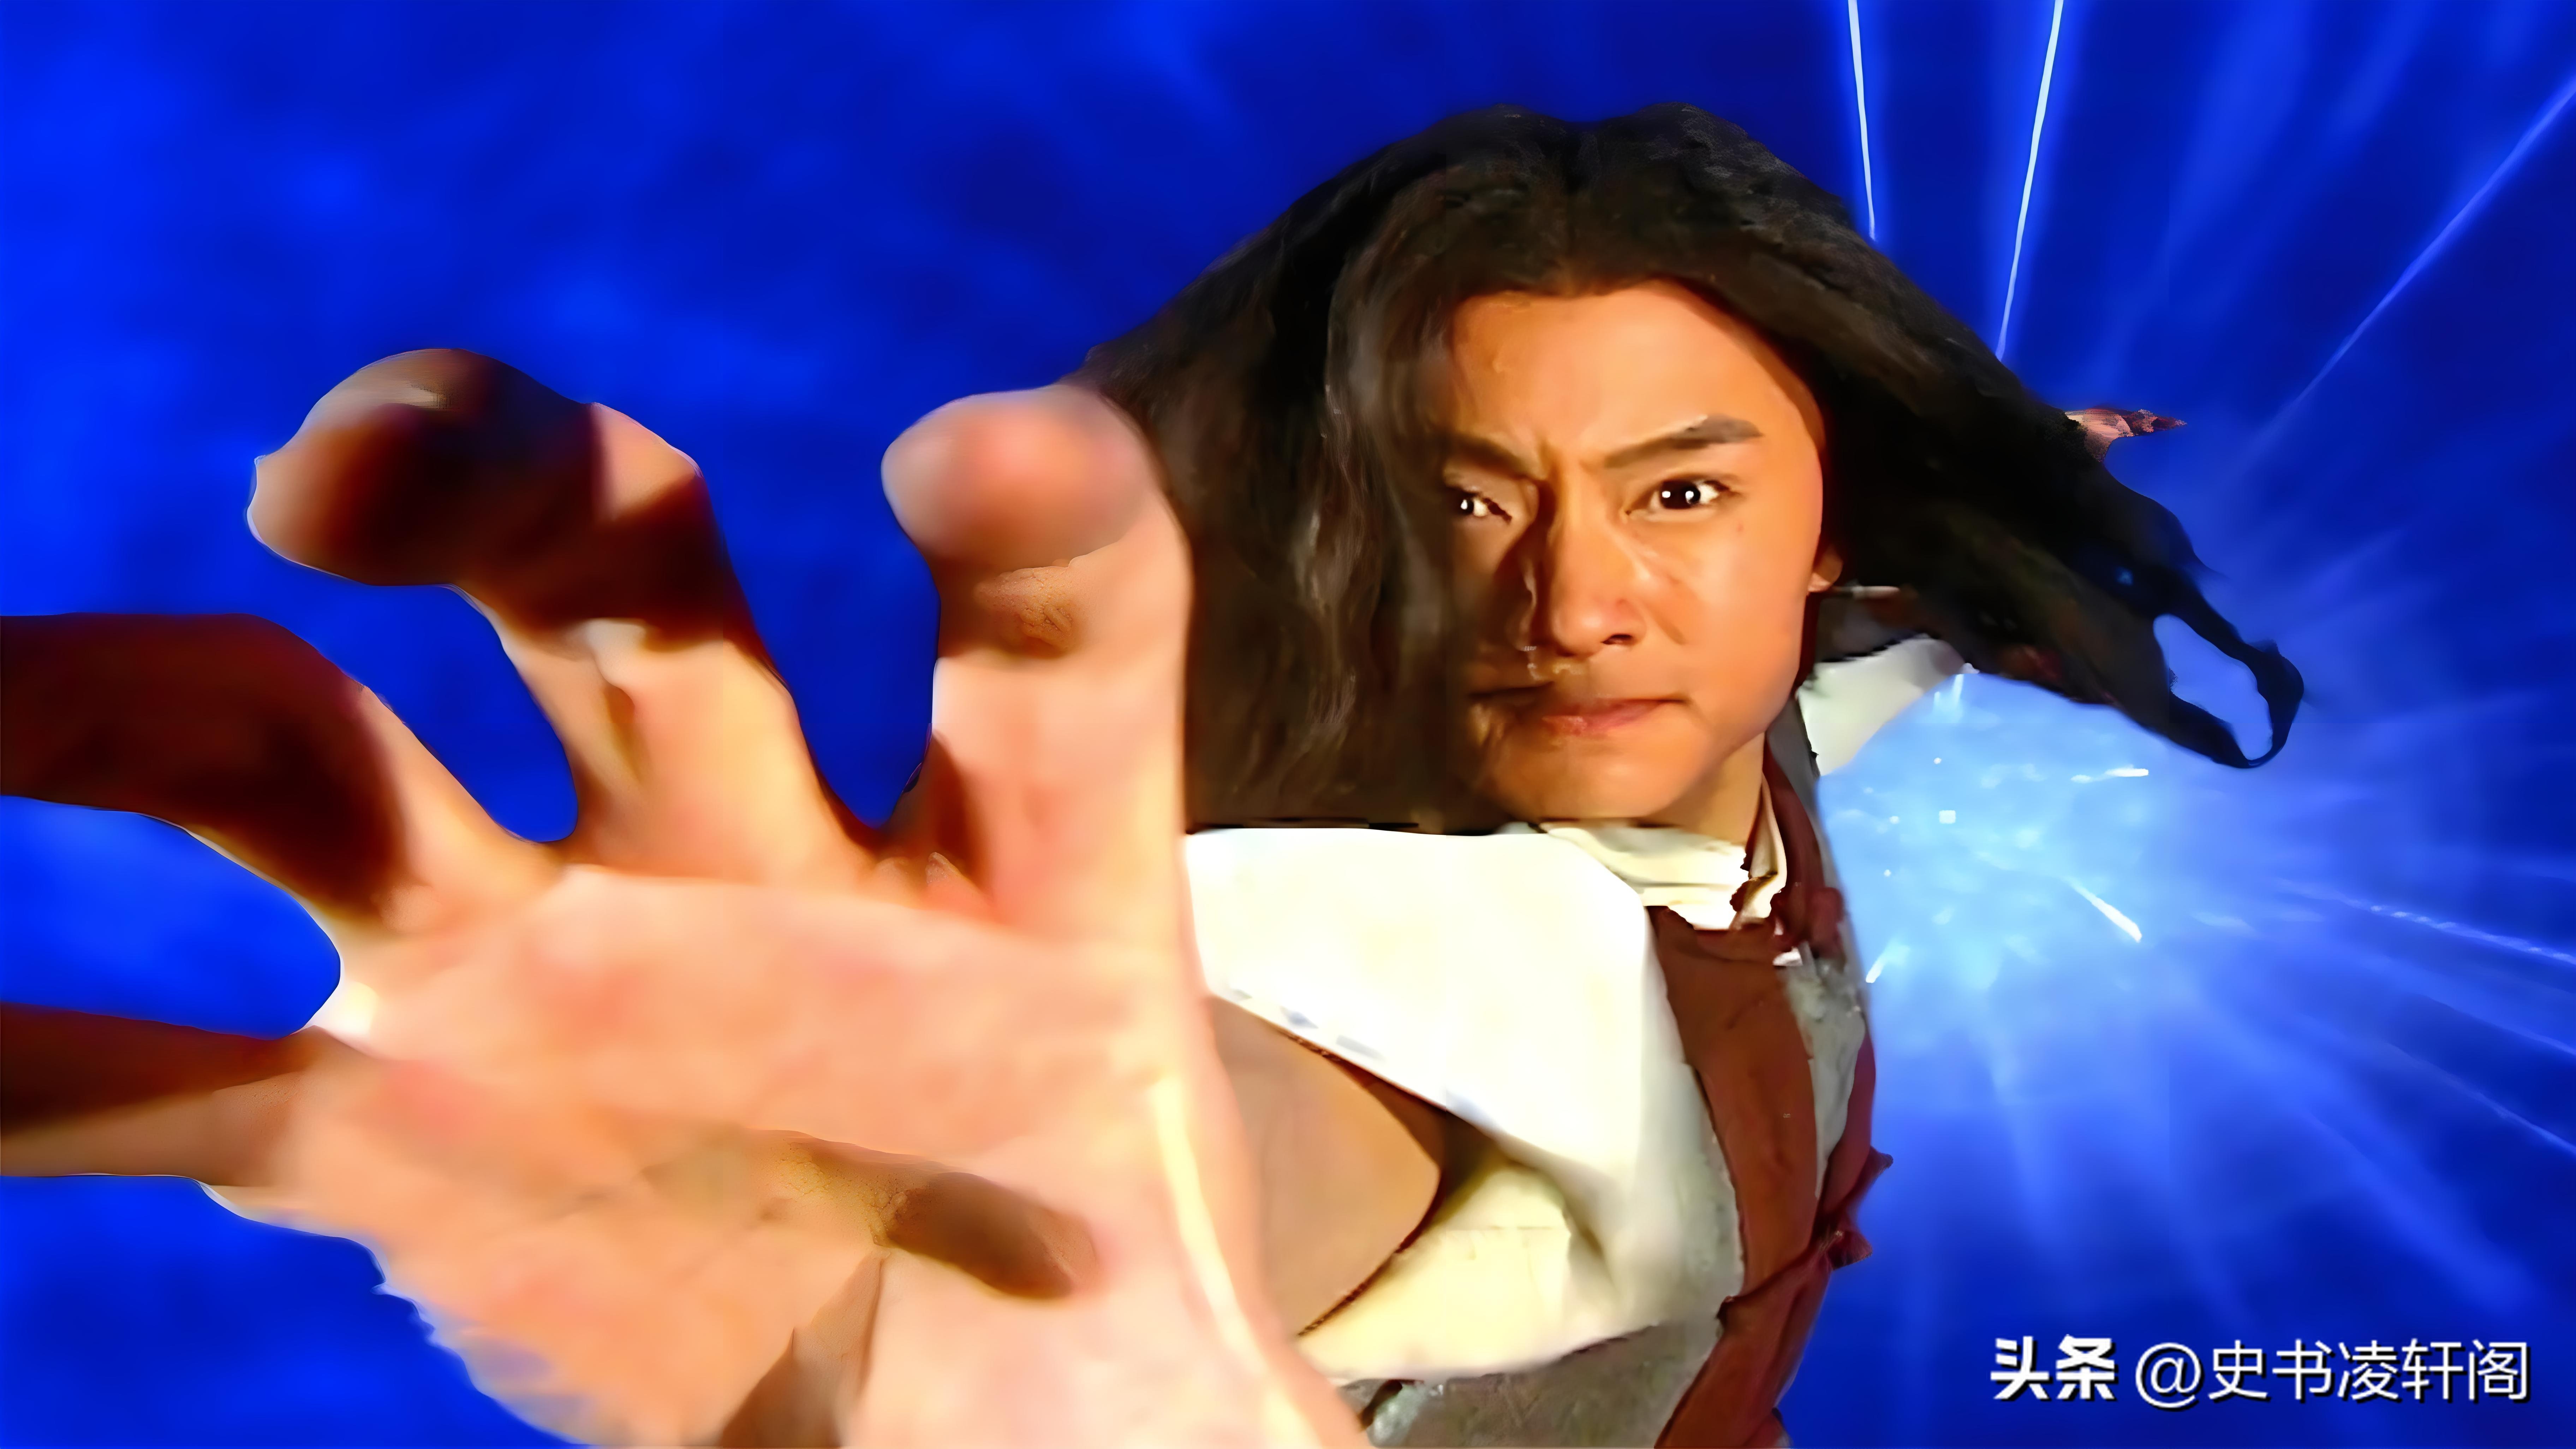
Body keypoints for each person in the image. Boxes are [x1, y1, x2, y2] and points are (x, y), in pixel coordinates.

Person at [0, 103, 2298, 1447]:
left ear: (1826, 528)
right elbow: (1246, 1087)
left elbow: (1819, 670)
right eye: (1465, 498)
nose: (1580, 598)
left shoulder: (1765, 701)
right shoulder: (1455, 957)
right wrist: (894, 1213)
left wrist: (2008, 510)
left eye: (1680, 492)